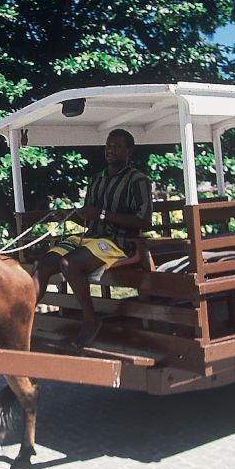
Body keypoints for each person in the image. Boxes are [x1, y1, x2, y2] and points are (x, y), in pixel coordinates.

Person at [31, 128, 152, 348]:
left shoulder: (138, 180)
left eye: (116, 146)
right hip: (90, 237)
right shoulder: (96, 179)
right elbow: (91, 217)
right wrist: (72, 216)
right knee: (43, 264)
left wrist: (103, 215)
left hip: (119, 242)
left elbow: (144, 222)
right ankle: (24, 314)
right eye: (108, 145)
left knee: (69, 264)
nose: (110, 150)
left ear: (129, 151)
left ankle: (91, 320)